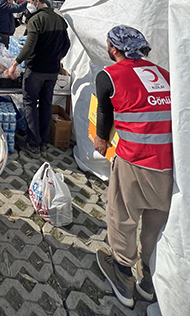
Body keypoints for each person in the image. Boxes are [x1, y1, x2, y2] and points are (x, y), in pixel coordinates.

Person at [93, 26, 173, 308]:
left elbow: (105, 112)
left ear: (113, 48)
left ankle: (124, 274)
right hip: (171, 165)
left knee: (122, 216)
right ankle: (150, 277)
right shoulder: (164, 74)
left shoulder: (109, 75)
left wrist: (101, 141)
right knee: (155, 224)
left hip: (135, 161)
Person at [7, 0, 70, 156]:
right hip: (52, 70)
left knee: (30, 104)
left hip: (36, 69)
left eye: (28, 2)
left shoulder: (36, 20)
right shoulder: (59, 20)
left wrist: (15, 64)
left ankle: (33, 144)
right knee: (45, 104)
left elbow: (29, 46)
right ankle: (43, 141)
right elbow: (67, 45)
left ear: (36, 2)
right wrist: (57, 58)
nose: (27, 6)